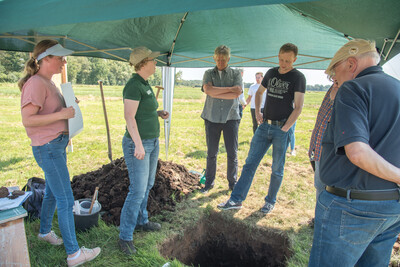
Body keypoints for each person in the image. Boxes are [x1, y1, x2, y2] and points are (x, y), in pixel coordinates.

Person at [308, 39, 400, 267]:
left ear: (351, 63)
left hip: (351, 207)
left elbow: (357, 152)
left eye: (334, 73)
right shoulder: (397, 88)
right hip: (392, 207)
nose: (334, 80)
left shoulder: (354, 88)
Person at [18, 39, 101, 267]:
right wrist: (62, 114)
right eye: (60, 58)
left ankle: (44, 231)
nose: (64, 62)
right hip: (48, 148)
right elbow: (28, 119)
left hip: (55, 146)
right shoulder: (36, 83)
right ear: (45, 59)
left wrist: (67, 106)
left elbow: (51, 111)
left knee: (54, 194)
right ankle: (74, 254)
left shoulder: (47, 82)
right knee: (65, 199)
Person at [218, 43, 306, 213]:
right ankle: (236, 200)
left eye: (288, 61)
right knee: (250, 164)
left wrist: (286, 128)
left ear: (295, 59)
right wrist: (258, 111)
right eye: (281, 59)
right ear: (278, 56)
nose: (284, 63)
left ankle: (270, 202)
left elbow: (299, 107)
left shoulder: (298, 77)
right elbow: (259, 93)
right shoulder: (272, 73)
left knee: (276, 169)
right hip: (265, 126)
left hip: (282, 129)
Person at [118, 46, 169, 255]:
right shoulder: (133, 85)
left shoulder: (144, 84)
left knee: (147, 185)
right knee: (137, 190)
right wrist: (138, 144)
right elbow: (129, 117)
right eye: (153, 60)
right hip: (138, 144)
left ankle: (142, 220)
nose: (156, 63)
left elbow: (140, 112)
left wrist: (157, 113)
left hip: (152, 142)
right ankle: (125, 237)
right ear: (143, 63)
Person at [200, 45, 243, 193]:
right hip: (211, 117)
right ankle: (209, 183)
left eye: (223, 60)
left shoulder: (236, 73)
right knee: (211, 153)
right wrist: (229, 89)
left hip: (231, 118)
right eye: (218, 59)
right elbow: (208, 90)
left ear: (228, 59)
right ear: (214, 58)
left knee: (232, 153)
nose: (220, 62)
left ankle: (232, 183)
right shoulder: (208, 73)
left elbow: (237, 93)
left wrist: (215, 92)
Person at [308, 82, 339, 201]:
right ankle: (318, 217)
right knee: (320, 185)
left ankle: (321, 217)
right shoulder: (333, 87)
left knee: (329, 188)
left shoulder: (351, 90)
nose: (333, 78)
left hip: (333, 152)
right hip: (320, 147)